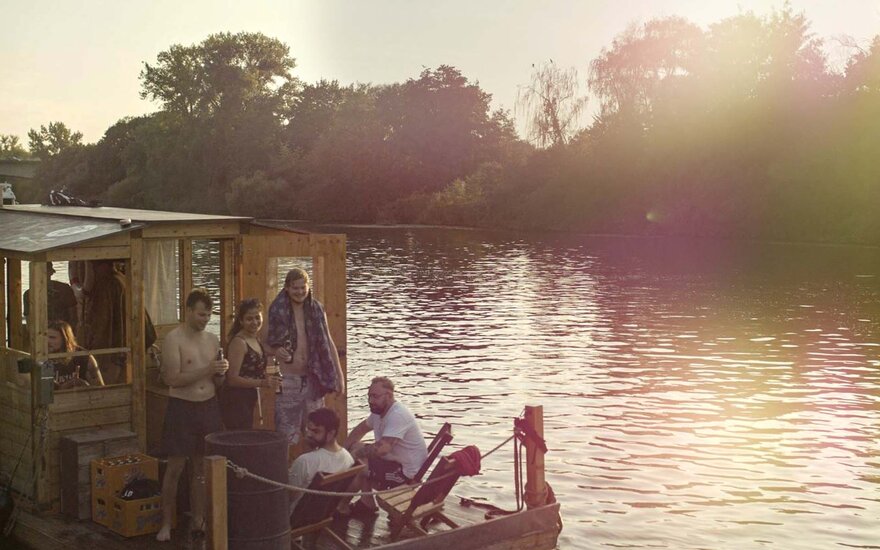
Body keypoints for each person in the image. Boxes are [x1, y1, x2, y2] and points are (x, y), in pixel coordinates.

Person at [156, 288, 228, 543]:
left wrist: (220, 372)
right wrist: (208, 369)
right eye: (200, 315)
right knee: (175, 466)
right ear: (187, 311)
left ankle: (199, 519)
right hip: (182, 407)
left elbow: (217, 382)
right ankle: (166, 523)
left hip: (207, 405)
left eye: (208, 315)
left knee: (200, 466)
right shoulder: (173, 339)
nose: (204, 320)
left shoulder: (212, 340)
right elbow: (171, 379)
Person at [266, 268, 345, 447]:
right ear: (286, 288)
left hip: (313, 379)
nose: (300, 292)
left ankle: (317, 473)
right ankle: (285, 473)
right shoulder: (276, 310)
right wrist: (275, 351)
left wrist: (339, 377)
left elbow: (328, 341)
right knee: (285, 437)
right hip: (288, 381)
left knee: (318, 433)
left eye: (303, 287)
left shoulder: (317, 308)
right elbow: (263, 344)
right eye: (295, 288)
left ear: (308, 287)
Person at [342, 376, 427, 515]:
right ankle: (366, 502)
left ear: (388, 395)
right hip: (395, 463)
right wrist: (343, 451)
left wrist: (353, 456)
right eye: (369, 396)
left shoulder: (398, 415)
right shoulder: (379, 411)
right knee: (357, 447)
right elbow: (360, 430)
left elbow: (382, 449)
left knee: (360, 462)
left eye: (375, 396)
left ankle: (342, 505)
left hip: (405, 474)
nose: (370, 401)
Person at [220, 298, 279, 429]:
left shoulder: (255, 339)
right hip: (235, 400)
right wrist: (263, 383)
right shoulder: (239, 342)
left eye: (257, 318)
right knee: (239, 439)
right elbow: (232, 379)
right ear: (241, 321)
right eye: (249, 319)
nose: (254, 322)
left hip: (249, 397)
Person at [288, 408, 354, 513]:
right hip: (325, 514)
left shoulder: (305, 461)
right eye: (308, 429)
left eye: (315, 431)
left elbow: (289, 497)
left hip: (296, 518)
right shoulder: (348, 458)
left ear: (331, 433)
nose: (308, 435)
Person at [81, 260, 127, 384]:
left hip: (110, 345)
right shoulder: (122, 279)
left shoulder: (106, 284)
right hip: (122, 341)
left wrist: (92, 342)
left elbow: (101, 319)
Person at [47, 320, 103, 390]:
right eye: (45, 337)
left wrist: (84, 385)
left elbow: (100, 390)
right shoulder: (41, 357)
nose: (47, 341)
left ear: (65, 339)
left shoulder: (83, 357)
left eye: (52, 337)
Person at [23, 262, 78, 328]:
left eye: (45, 271)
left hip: (63, 331)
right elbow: (29, 322)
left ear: (51, 272)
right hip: (40, 332)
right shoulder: (28, 294)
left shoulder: (64, 289)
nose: (42, 275)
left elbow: (74, 317)